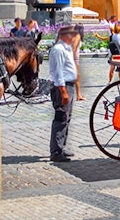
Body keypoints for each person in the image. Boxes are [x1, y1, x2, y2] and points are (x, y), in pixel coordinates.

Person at [47, 25, 79, 162]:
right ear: (64, 36)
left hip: (68, 86)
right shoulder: (58, 50)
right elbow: (58, 73)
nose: (73, 38)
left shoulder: (66, 49)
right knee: (61, 117)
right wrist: (63, 91)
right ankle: (56, 151)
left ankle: (62, 146)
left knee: (66, 118)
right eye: (71, 35)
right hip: (63, 87)